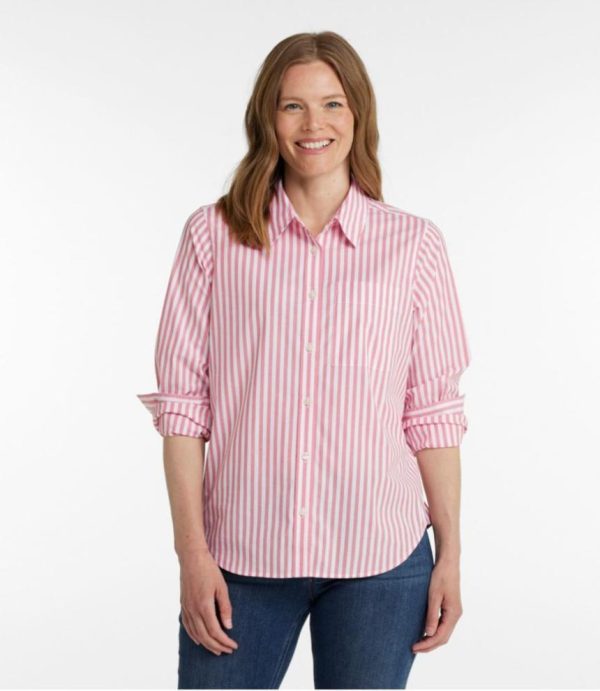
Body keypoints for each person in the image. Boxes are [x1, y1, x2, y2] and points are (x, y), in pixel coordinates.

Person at [137, 30, 471, 690]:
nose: (314, 124)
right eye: (293, 106)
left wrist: (451, 556)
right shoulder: (213, 236)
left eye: (332, 104)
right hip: (239, 559)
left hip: (381, 559)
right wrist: (192, 557)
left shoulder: (415, 247)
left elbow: (431, 413)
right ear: (268, 117)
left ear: (359, 114)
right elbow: (184, 411)